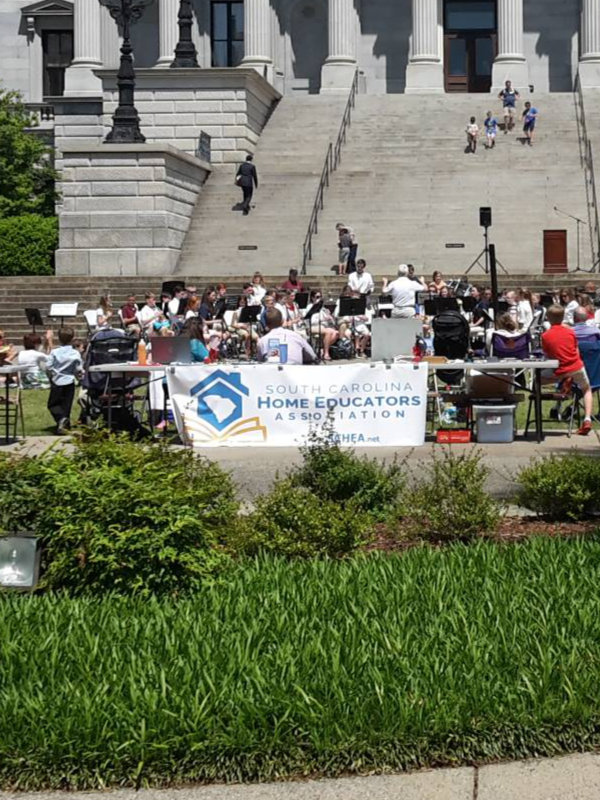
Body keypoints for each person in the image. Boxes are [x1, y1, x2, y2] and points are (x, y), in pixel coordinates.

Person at [541, 304, 594, 435]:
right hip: (576, 366)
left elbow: (548, 356)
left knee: (537, 382)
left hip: (559, 369)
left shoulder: (546, 336)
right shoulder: (571, 331)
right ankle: (587, 419)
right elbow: (576, 350)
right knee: (587, 389)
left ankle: (541, 413)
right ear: (563, 317)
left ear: (548, 318)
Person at [45, 327, 83, 435]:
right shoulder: (75, 353)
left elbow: (48, 366)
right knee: (67, 405)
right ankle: (65, 422)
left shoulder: (55, 352)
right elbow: (78, 368)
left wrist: (52, 374)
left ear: (59, 338)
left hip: (57, 380)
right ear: (72, 338)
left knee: (53, 404)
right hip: (70, 380)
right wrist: (78, 376)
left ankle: (61, 419)